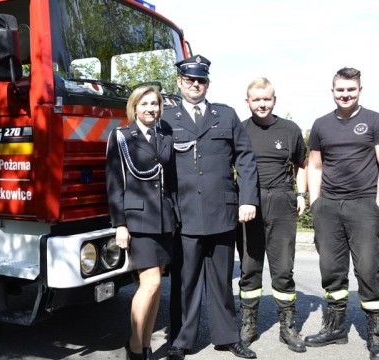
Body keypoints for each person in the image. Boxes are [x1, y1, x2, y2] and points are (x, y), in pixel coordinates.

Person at [165, 54, 259, 360]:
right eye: (190, 79)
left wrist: (247, 199)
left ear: (208, 83)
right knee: (185, 280)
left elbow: (245, 158)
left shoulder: (226, 115)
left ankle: (227, 337)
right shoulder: (166, 118)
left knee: (221, 280)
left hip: (222, 211)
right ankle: (181, 341)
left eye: (201, 80)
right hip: (185, 213)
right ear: (179, 82)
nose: (195, 84)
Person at [304, 67, 379, 360]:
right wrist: (316, 204)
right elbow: (315, 167)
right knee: (331, 271)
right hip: (328, 207)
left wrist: (378, 209)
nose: (345, 95)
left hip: (364, 206)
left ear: (359, 90)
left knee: (368, 270)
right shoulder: (320, 125)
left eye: (351, 90)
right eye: (340, 90)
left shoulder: (377, 121)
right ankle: (335, 329)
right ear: (332, 91)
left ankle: (377, 337)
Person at [236, 77, 308, 353]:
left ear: (274, 100)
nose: (262, 104)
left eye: (267, 99)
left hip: (281, 201)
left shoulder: (290, 130)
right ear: (248, 102)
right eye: (257, 99)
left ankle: (288, 328)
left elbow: (302, 164)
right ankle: (248, 324)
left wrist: (300, 195)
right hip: (249, 204)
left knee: (283, 270)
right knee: (249, 269)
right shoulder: (239, 130)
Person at [106, 85, 178, 360]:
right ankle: (134, 347)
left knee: (157, 285)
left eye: (155, 104)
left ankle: (146, 344)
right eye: (145, 104)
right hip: (138, 221)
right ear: (134, 108)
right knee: (150, 283)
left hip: (163, 221)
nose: (151, 109)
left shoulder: (164, 135)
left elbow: (169, 181)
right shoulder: (122, 136)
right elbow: (114, 184)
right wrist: (120, 225)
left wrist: (174, 217)